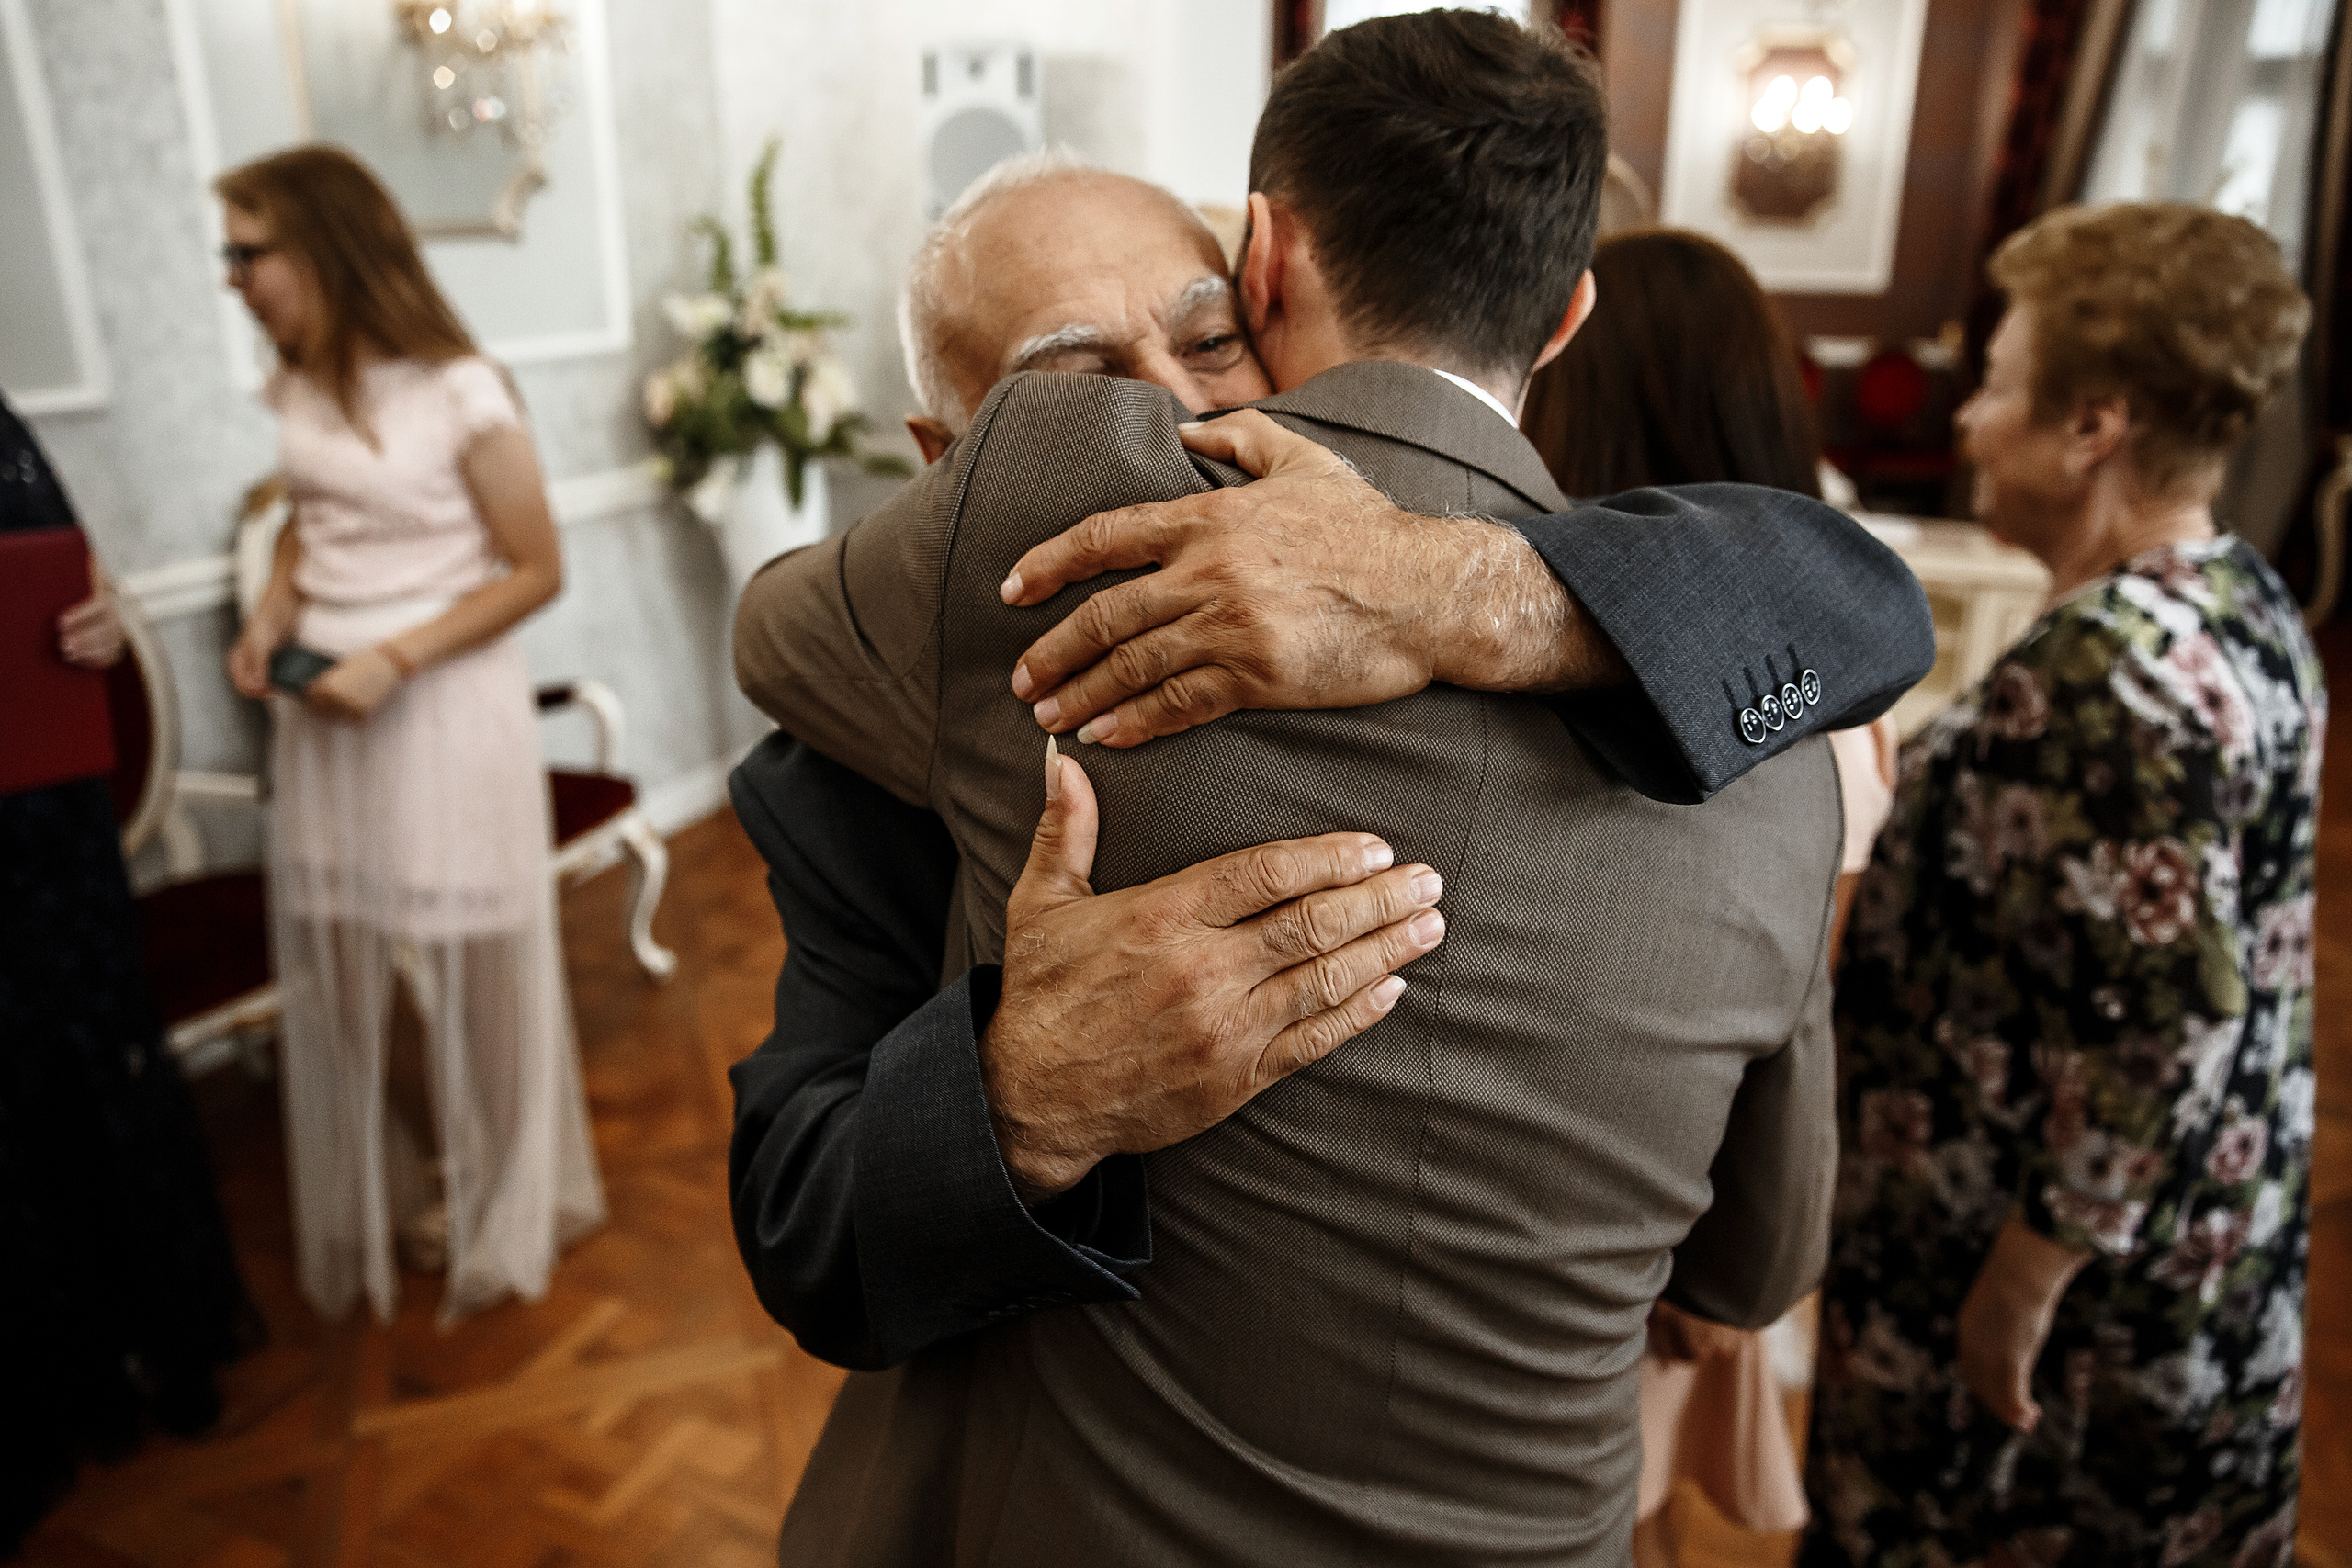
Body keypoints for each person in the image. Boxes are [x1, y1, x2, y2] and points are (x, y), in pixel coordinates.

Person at [732, 16, 1928, 1562]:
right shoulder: (898, 700)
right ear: (941, 462)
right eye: (1073, 389)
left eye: (1206, 338)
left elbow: (1843, 607)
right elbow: (804, 1231)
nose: (1163, 420)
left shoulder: (1666, 658)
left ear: (1267, 274)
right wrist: (1016, 1102)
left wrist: (1468, 587)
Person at [1806, 203, 2323, 1568]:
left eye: (1999, 383)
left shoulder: (2107, 672)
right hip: (2202, 1264)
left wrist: (2025, 1278)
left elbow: (2175, 1019)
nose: (1969, 419)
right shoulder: (2248, 600)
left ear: (2092, 425)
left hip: (2058, 1319)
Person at [1521, 226, 1897, 1562]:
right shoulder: (1834, 683)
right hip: (1679, 1182)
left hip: (1659, 1205)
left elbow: (1802, 998)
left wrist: (1713, 1260)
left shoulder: (1715, 695)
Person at [217, 146, 602, 1324]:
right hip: (325, 723)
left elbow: (537, 568)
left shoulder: (462, 388)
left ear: (326, 247)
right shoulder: (293, 384)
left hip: (436, 709)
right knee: (343, 954)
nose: (231, 278)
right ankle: (434, 1156)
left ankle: (504, 1182)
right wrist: (273, 611)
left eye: (249, 252)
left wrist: (393, 659)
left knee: (471, 963)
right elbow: (306, 523)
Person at [1, 395, 255, 1552]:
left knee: (99, 1074)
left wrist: (98, 622)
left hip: (49, 822)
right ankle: (55, 1400)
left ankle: (166, 1346)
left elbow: (71, 576)